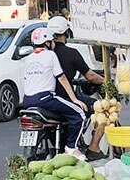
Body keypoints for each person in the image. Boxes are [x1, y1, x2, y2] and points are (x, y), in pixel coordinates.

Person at [21, 27, 88, 160]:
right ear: (47, 43)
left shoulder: (29, 58)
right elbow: (61, 77)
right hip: (45, 98)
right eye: (52, 41)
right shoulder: (51, 55)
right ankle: (71, 147)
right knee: (79, 114)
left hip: (27, 101)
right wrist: (74, 99)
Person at [46, 16, 106, 161]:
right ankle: (93, 147)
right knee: (103, 109)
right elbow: (90, 76)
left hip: (45, 98)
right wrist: (106, 82)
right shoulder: (71, 53)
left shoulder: (43, 54)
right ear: (66, 33)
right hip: (65, 97)